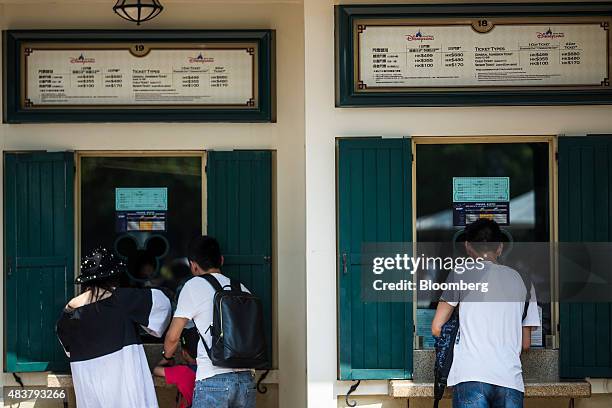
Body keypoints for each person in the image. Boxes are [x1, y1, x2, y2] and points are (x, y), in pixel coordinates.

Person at [431, 219, 540, 408]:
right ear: (500, 247)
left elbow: (436, 327)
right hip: (510, 379)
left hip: (470, 374)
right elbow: (526, 343)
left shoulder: (461, 274)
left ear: (467, 246)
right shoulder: (523, 281)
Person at [56, 247, 172, 408]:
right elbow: (163, 305)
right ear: (114, 277)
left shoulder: (69, 314)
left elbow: (67, 348)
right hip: (126, 390)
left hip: (90, 391)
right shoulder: (121, 299)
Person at [162, 236, 256, 408]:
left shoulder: (193, 286)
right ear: (221, 260)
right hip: (245, 381)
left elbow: (173, 337)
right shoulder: (242, 288)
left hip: (213, 381)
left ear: (193, 265)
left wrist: (166, 357)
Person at [154, 326, 199, 408]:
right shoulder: (208, 368)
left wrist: (166, 358)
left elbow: (156, 370)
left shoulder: (183, 372)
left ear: (184, 353)